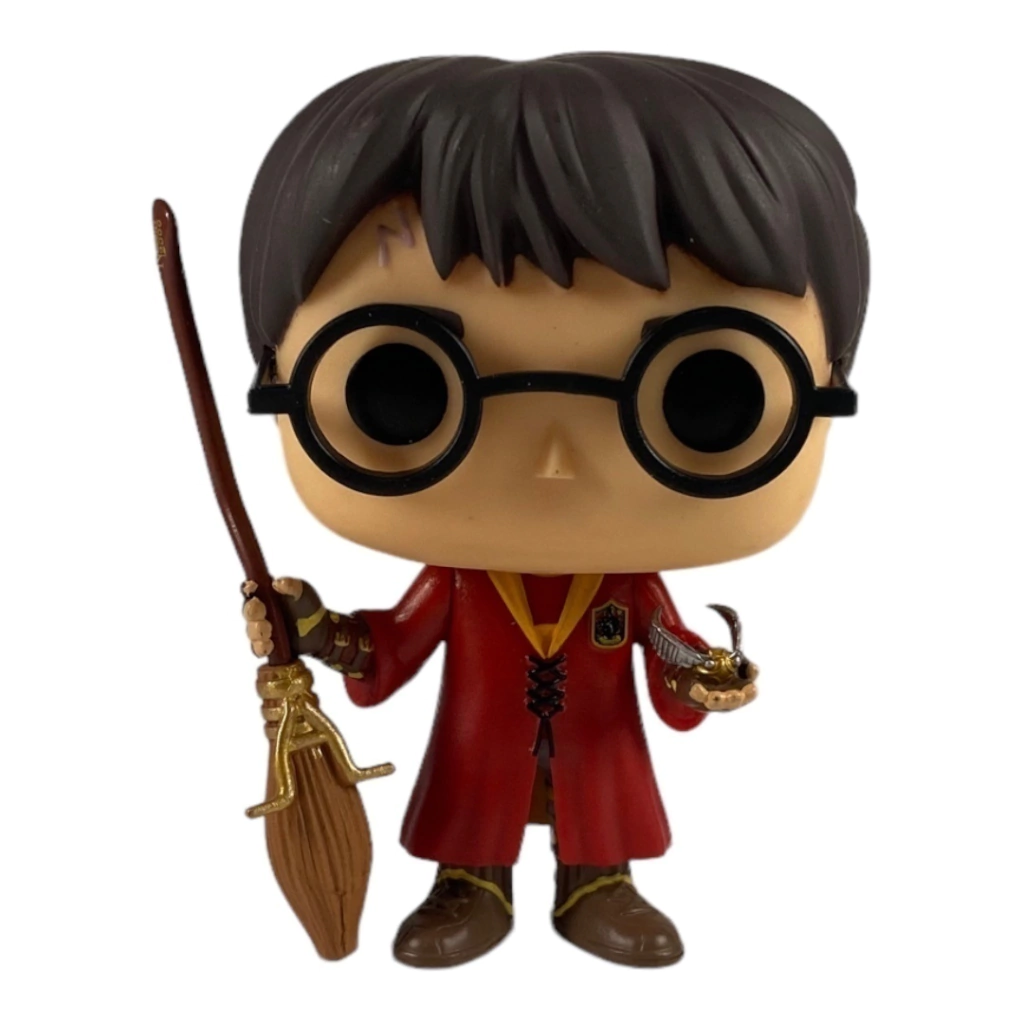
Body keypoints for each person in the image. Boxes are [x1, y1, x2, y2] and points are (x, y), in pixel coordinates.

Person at [238, 53, 868, 968]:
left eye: (706, 395)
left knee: (600, 809)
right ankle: (471, 882)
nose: (553, 462)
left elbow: (669, 650)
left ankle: (597, 883)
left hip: (595, 753)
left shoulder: (628, 590)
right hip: (480, 751)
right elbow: (388, 648)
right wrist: (314, 629)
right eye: (402, 388)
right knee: (473, 810)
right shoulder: (458, 584)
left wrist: (704, 676)